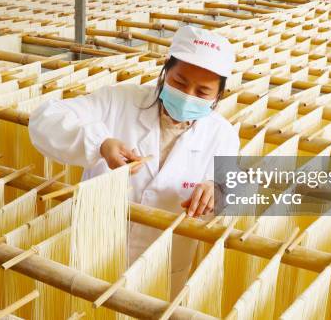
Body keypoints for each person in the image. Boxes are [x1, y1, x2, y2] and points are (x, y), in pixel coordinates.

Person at [28, 25, 240, 295]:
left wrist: (217, 190)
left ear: (218, 95)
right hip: (95, 255)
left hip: (163, 269)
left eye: (202, 93)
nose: (188, 96)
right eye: (179, 82)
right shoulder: (118, 101)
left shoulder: (222, 136)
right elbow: (45, 119)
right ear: (165, 72)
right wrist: (101, 143)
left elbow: (233, 188)